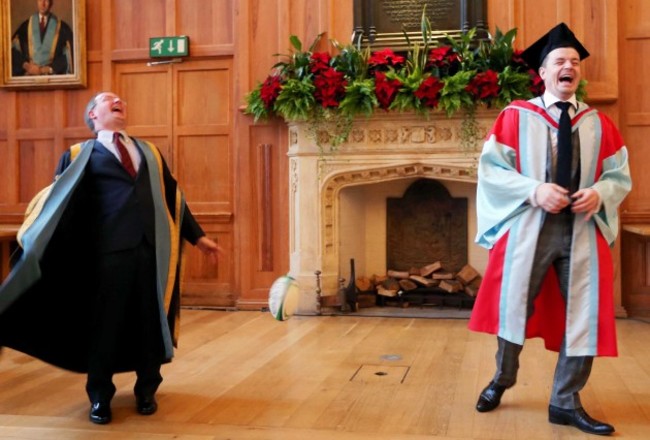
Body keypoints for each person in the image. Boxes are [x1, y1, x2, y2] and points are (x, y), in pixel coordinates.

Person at [0, 91, 221, 425]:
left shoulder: (150, 152)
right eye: (108, 99)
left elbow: (174, 196)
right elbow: (59, 206)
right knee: (105, 326)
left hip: (151, 253)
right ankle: (100, 396)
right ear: (93, 115)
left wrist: (198, 236)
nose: (119, 100)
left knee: (150, 322)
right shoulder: (77, 154)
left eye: (121, 99)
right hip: (106, 257)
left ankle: (147, 388)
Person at [468, 23, 631, 436]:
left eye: (574, 62)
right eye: (560, 61)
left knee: (585, 316)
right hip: (528, 228)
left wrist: (599, 192)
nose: (568, 67)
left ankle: (564, 401)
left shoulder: (598, 123)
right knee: (512, 309)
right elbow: (491, 172)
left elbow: (619, 176)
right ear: (542, 72)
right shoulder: (514, 117)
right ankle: (502, 379)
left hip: (581, 230)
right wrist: (533, 189)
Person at [11, 0, 74, 76]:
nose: (43, 4)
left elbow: (68, 57)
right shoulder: (26, 26)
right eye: (40, 0)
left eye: (46, 0)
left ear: (51, 3)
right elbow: (12, 51)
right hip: (29, 78)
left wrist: (46, 69)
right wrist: (27, 66)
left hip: (53, 79)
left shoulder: (62, 28)